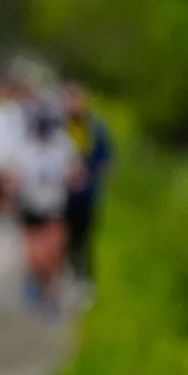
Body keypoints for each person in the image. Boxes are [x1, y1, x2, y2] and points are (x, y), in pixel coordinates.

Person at [7, 95, 80, 314]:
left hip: (55, 207)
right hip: (31, 206)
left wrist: (71, 177)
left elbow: (75, 171)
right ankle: (37, 283)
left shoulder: (63, 143)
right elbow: (11, 176)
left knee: (54, 254)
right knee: (36, 257)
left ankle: (52, 295)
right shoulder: (23, 145)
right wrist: (13, 186)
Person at [63, 84, 114, 284]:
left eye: (77, 100)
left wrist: (100, 172)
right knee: (66, 236)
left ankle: (85, 278)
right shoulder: (60, 126)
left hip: (88, 193)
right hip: (64, 194)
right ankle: (69, 274)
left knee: (85, 238)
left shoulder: (96, 128)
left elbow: (106, 158)